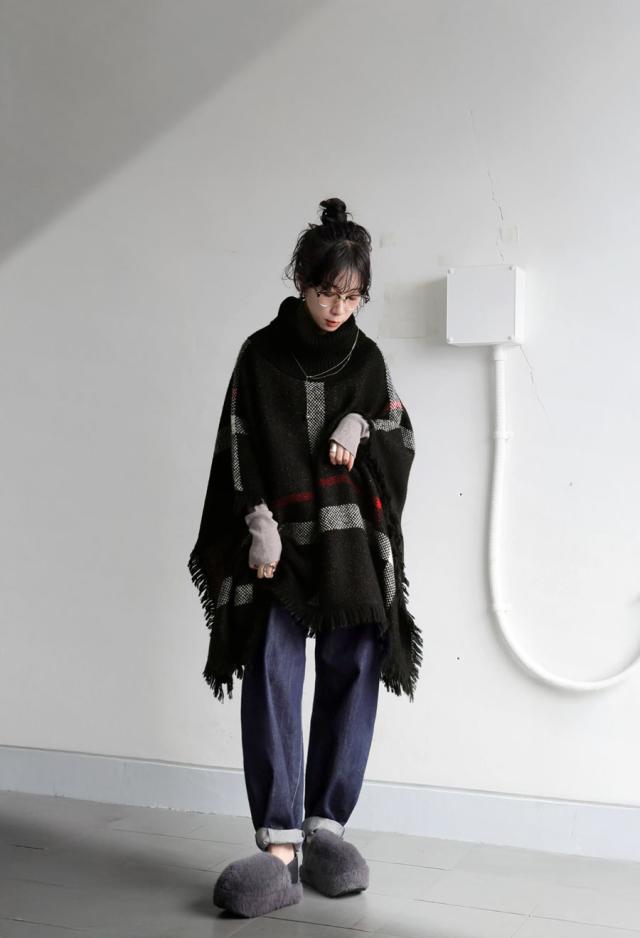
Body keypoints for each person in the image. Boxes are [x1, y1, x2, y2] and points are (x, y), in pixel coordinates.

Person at [188, 197, 421, 917]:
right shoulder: (260, 355)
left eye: (353, 297)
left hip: (350, 542)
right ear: (301, 281)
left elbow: (400, 434)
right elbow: (238, 445)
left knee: (354, 666)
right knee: (271, 668)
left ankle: (326, 829)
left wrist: (362, 423)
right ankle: (280, 845)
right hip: (279, 541)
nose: (337, 308)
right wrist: (257, 521)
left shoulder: (367, 358)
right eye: (327, 292)